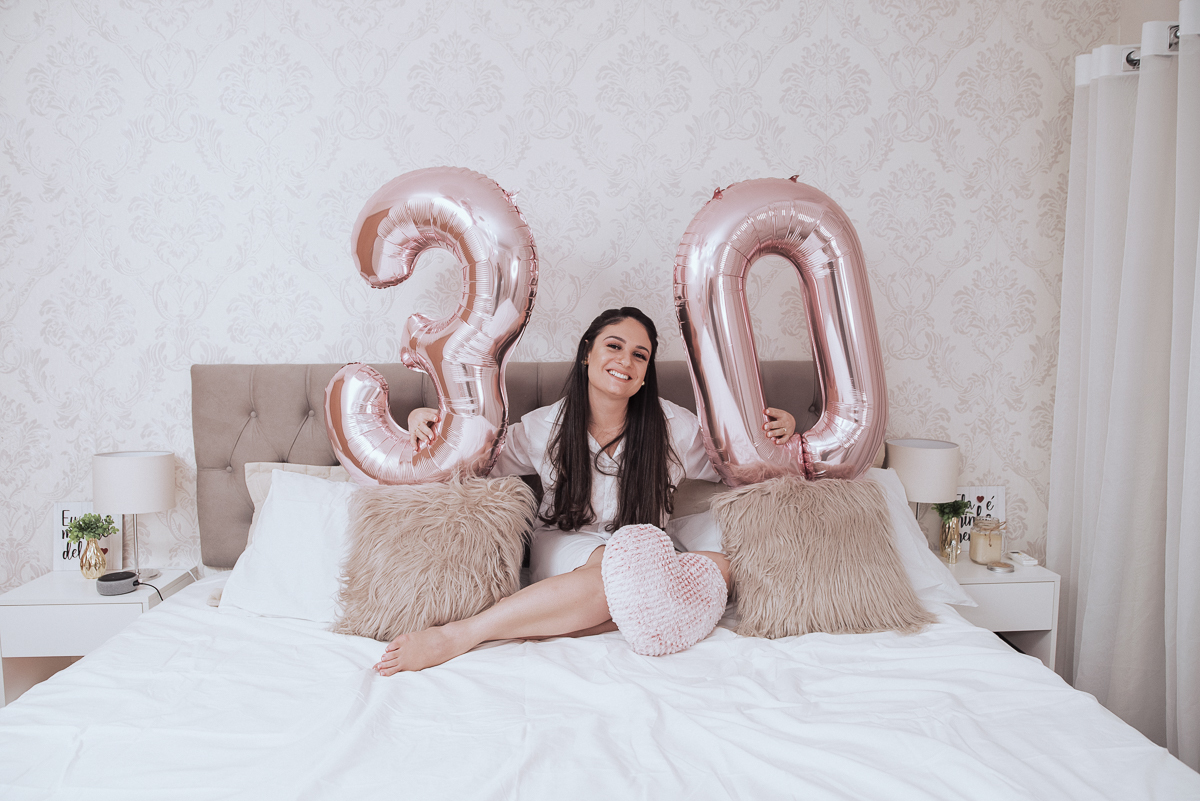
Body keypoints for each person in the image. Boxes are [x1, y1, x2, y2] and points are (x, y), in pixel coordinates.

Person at [374, 307, 796, 674]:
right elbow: (473, 465)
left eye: (639, 355)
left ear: (646, 373)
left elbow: (739, 470)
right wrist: (427, 426)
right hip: (569, 542)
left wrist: (783, 437)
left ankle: (561, 621)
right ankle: (459, 636)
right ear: (587, 353)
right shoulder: (545, 425)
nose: (625, 361)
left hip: (645, 550)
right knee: (608, 576)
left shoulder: (675, 427)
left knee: (719, 568)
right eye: (614, 346)